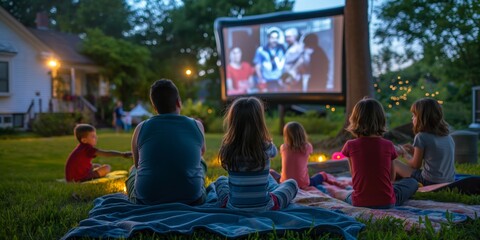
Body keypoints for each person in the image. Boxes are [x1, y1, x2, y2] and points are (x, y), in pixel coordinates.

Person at [126, 79, 207, 205]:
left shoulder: (141, 128)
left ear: (154, 107)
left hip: (146, 200)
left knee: (132, 170)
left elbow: (137, 165)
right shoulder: (197, 125)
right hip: (192, 199)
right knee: (201, 164)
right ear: (178, 102)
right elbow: (201, 154)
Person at [214, 97, 298, 211]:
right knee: (292, 183)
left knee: (220, 180)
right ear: (259, 122)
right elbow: (275, 153)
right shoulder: (267, 146)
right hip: (266, 206)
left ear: (233, 122)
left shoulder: (227, 148)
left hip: (233, 206)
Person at [335, 98, 418, 208]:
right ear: (381, 120)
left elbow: (353, 173)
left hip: (360, 202)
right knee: (412, 182)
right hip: (387, 202)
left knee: (338, 193)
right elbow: (391, 178)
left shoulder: (350, 145)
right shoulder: (388, 145)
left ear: (354, 120)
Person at [394, 98, 455, 186]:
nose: (412, 118)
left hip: (430, 181)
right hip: (449, 180)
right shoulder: (447, 136)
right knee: (402, 171)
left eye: (414, 115)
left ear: (422, 117)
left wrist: (405, 155)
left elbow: (415, 165)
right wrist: (414, 151)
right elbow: (434, 156)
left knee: (395, 163)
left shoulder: (421, 136)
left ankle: (390, 184)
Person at [65, 124, 131, 182]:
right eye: (93, 136)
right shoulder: (88, 149)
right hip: (79, 178)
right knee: (107, 168)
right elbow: (105, 153)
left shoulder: (81, 147)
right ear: (84, 140)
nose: (96, 137)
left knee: (96, 166)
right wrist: (122, 154)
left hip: (72, 177)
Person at [279, 121, 326, 189]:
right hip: (303, 184)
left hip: (285, 183)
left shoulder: (283, 147)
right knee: (323, 175)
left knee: (272, 172)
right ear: (302, 133)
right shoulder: (307, 147)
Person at [253, 28, 286, 92]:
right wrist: (261, 81)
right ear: (268, 38)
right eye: (272, 38)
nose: (274, 40)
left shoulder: (282, 49)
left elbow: (285, 64)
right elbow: (257, 66)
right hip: (267, 81)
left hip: (280, 81)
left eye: (276, 38)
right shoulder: (261, 50)